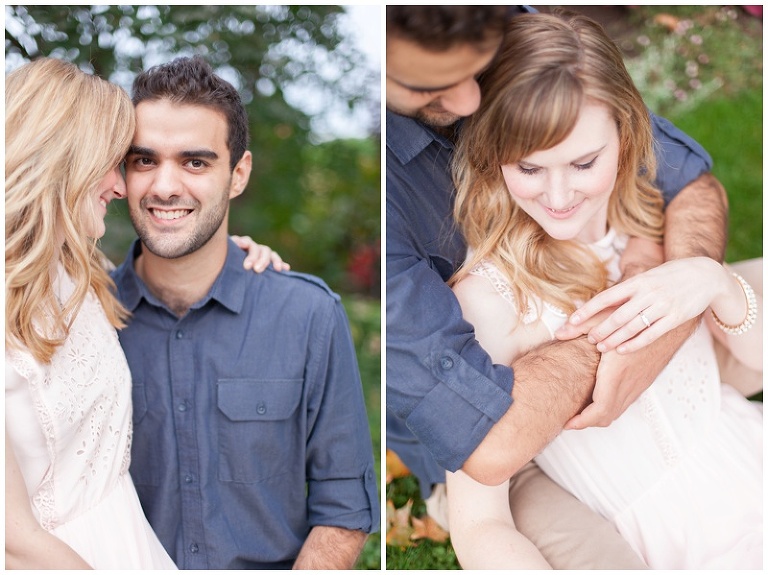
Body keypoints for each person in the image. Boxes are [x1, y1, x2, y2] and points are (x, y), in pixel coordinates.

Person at [385, 5, 755, 569]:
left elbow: (755, 352)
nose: (557, 197)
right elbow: (481, 518)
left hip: (740, 458)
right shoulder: (491, 299)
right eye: (528, 169)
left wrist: (708, 279)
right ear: (493, 161)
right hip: (659, 528)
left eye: (583, 163)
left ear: (628, 137)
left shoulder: (649, 222)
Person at [111, 56, 379, 570]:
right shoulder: (83, 316)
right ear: (122, 173)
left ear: (238, 174)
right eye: (145, 160)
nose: (165, 187)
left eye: (195, 162)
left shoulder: (307, 315)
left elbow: (343, 506)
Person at [5, 57, 177, 569]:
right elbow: (10, 536)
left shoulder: (78, 275)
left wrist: (234, 255)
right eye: (111, 162)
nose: (121, 187)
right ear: (60, 158)